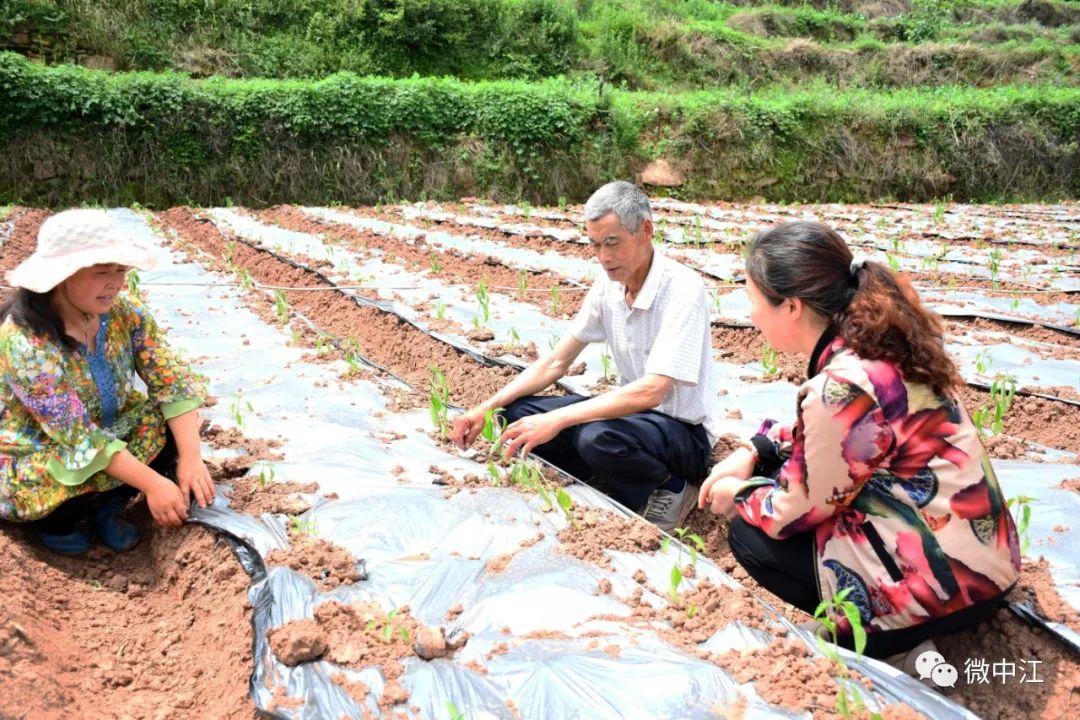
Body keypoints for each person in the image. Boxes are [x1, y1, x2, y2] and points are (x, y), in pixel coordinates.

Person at [698, 221, 1020, 669]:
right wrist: (755, 448)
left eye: (753, 301)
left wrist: (740, 494)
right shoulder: (878, 347)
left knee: (751, 534)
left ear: (791, 307)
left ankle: (890, 642)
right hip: (989, 569)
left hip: (942, 591)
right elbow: (829, 439)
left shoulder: (840, 386)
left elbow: (791, 512)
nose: (750, 314)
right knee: (780, 479)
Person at [450, 181, 717, 531]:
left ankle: (672, 490)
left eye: (612, 243)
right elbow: (556, 363)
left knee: (596, 437)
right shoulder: (608, 286)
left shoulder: (681, 289)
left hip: (682, 433)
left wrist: (560, 420)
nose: (604, 257)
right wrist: (486, 406)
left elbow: (652, 391)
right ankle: (603, 475)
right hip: (632, 421)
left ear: (646, 230)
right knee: (517, 414)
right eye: (594, 245)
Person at [0, 209, 214, 555]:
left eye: (120, 271)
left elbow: (170, 381)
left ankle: (106, 506)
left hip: (110, 430)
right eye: (102, 273)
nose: (115, 283)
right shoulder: (25, 340)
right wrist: (154, 483)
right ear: (62, 277)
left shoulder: (125, 314)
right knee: (55, 478)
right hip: (43, 449)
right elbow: (77, 437)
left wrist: (191, 457)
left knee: (167, 426)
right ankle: (58, 522)